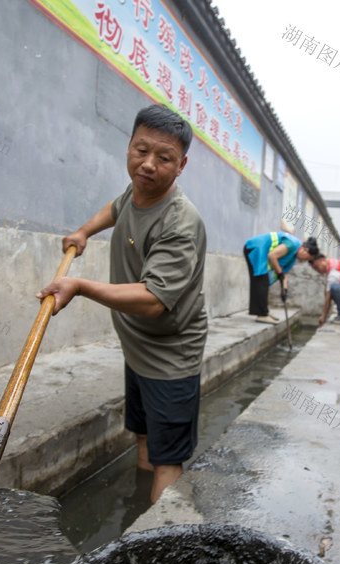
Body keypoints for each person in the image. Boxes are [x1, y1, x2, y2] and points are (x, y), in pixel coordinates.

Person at [35, 104, 206, 503]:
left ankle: (155, 544)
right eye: (139, 150)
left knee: (169, 460)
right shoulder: (136, 189)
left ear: (180, 166)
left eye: (163, 158)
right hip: (136, 347)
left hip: (170, 357)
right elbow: (115, 207)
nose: (147, 164)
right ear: (129, 147)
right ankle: (137, 511)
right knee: (144, 435)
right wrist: (83, 231)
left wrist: (79, 285)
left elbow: (152, 301)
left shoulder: (180, 223)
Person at [243, 232, 319, 324]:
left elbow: (284, 273)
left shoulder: (293, 256)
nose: (304, 261)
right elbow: (272, 255)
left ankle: (263, 312)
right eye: (307, 258)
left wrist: (284, 290)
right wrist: (279, 272)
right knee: (261, 280)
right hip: (256, 248)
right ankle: (262, 315)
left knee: (262, 282)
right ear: (305, 250)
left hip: (261, 252)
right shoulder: (292, 244)